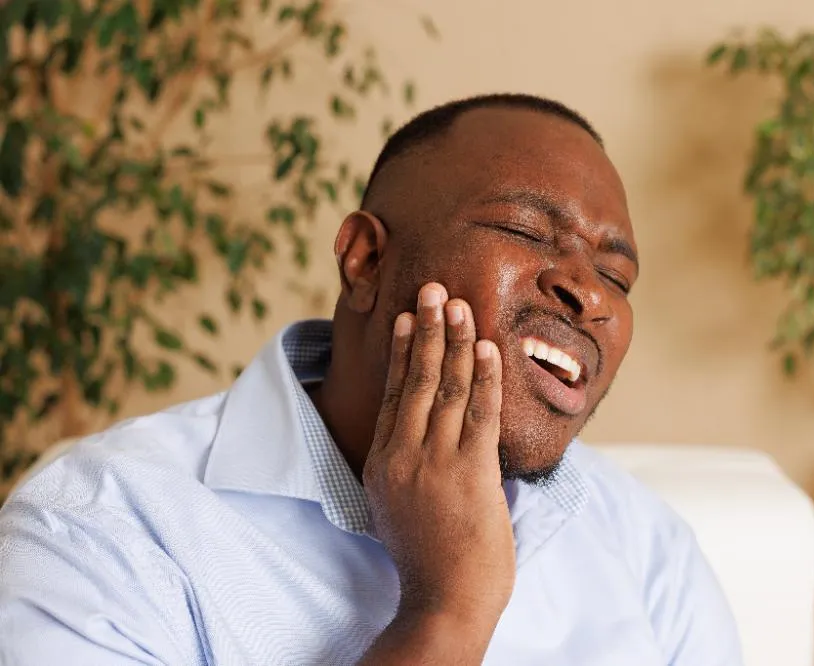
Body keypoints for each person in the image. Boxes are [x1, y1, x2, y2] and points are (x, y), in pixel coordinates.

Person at [0, 94, 743, 665]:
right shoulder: (99, 531)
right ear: (364, 261)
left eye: (617, 277)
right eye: (522, 231)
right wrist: (446, 610)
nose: (589, 296)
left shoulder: (647, 550)